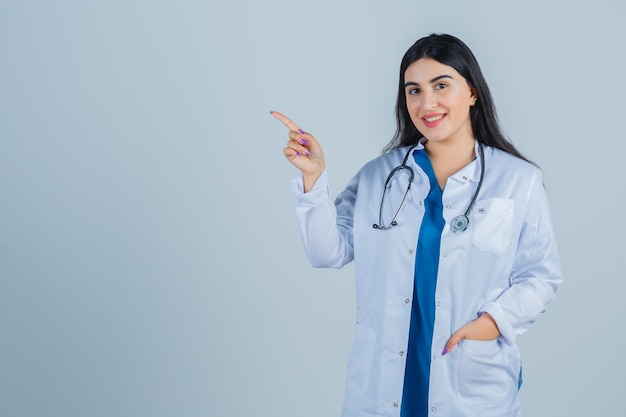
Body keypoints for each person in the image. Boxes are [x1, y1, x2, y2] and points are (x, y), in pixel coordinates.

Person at [271, 33, 562, 417]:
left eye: (441, 85)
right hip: (386, 379)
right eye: (414, 90)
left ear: (472, 92)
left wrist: (494, 322)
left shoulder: (517, 180)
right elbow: (329, 251)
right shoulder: (380, 176)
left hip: (468, 373)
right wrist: (314, 179)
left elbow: (541, 275)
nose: (427, 103)